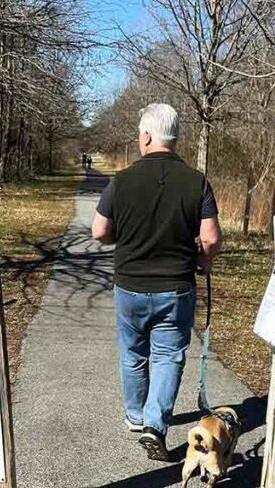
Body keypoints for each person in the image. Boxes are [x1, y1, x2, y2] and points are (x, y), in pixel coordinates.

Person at [91, 103, 222, 461]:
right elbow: (210, 239)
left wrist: (125, 236)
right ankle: (154, 424)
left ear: (146, 136)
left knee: (133, 353)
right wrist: (203, 262)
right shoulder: (197, 182)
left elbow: (99, 231)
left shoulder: (122, 180)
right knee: (167, 357)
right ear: (175, 138)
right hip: (176, 287)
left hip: (129, 285)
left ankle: (136, 416)